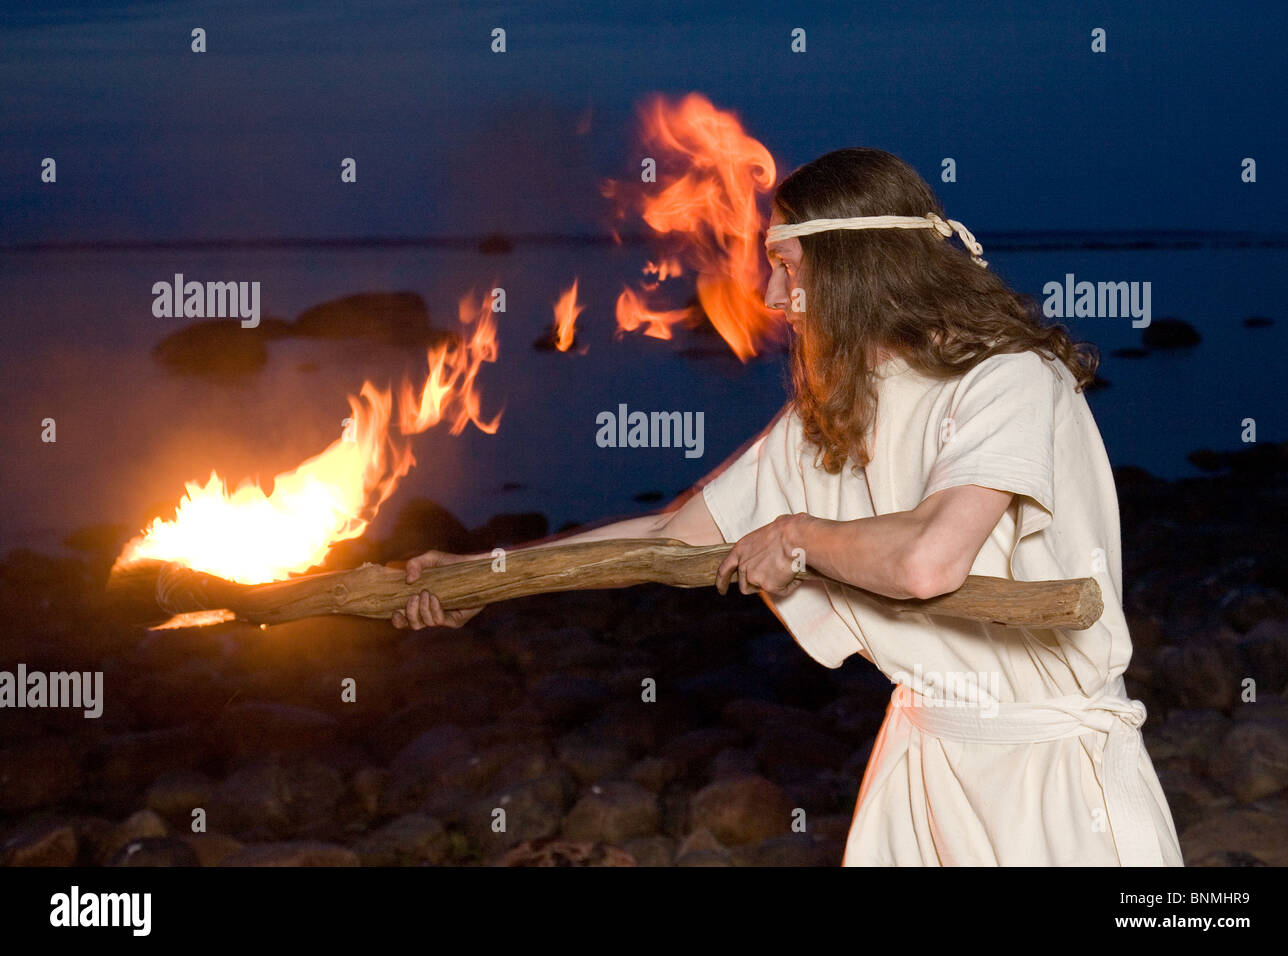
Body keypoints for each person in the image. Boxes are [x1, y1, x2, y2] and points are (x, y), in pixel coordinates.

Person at [394, 147, 1184, 867]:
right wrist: (484, 575)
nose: (772, 296)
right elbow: (668, 534)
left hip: (1054, 785)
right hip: (922, 772)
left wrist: (800, 536)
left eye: (786, 264)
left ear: (853, 263)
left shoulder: (1009, 381)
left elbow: (929, 559)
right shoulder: (834, 414)